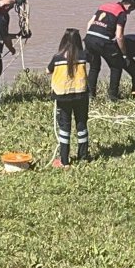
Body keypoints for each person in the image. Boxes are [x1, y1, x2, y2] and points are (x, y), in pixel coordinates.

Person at [49, 28, 90, 167]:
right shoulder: (84, 55)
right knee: (82, 125)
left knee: (64, 127)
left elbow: (49, 70)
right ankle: (83, 157)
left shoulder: (57, 57)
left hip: (63, 96)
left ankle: (64, 160)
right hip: (81, 95)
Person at [84, 0, 135, 101]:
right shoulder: (121, 13)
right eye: (131, 10)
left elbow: (89, 23)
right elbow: (119, 36)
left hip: (89, 38)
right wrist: (124, 54)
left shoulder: (104, 6)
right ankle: (113, 96)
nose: (129, 13)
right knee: (116, 66)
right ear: (129, 6)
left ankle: (90, 96)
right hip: (103, 41)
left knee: (94, 67)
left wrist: (90, 38)